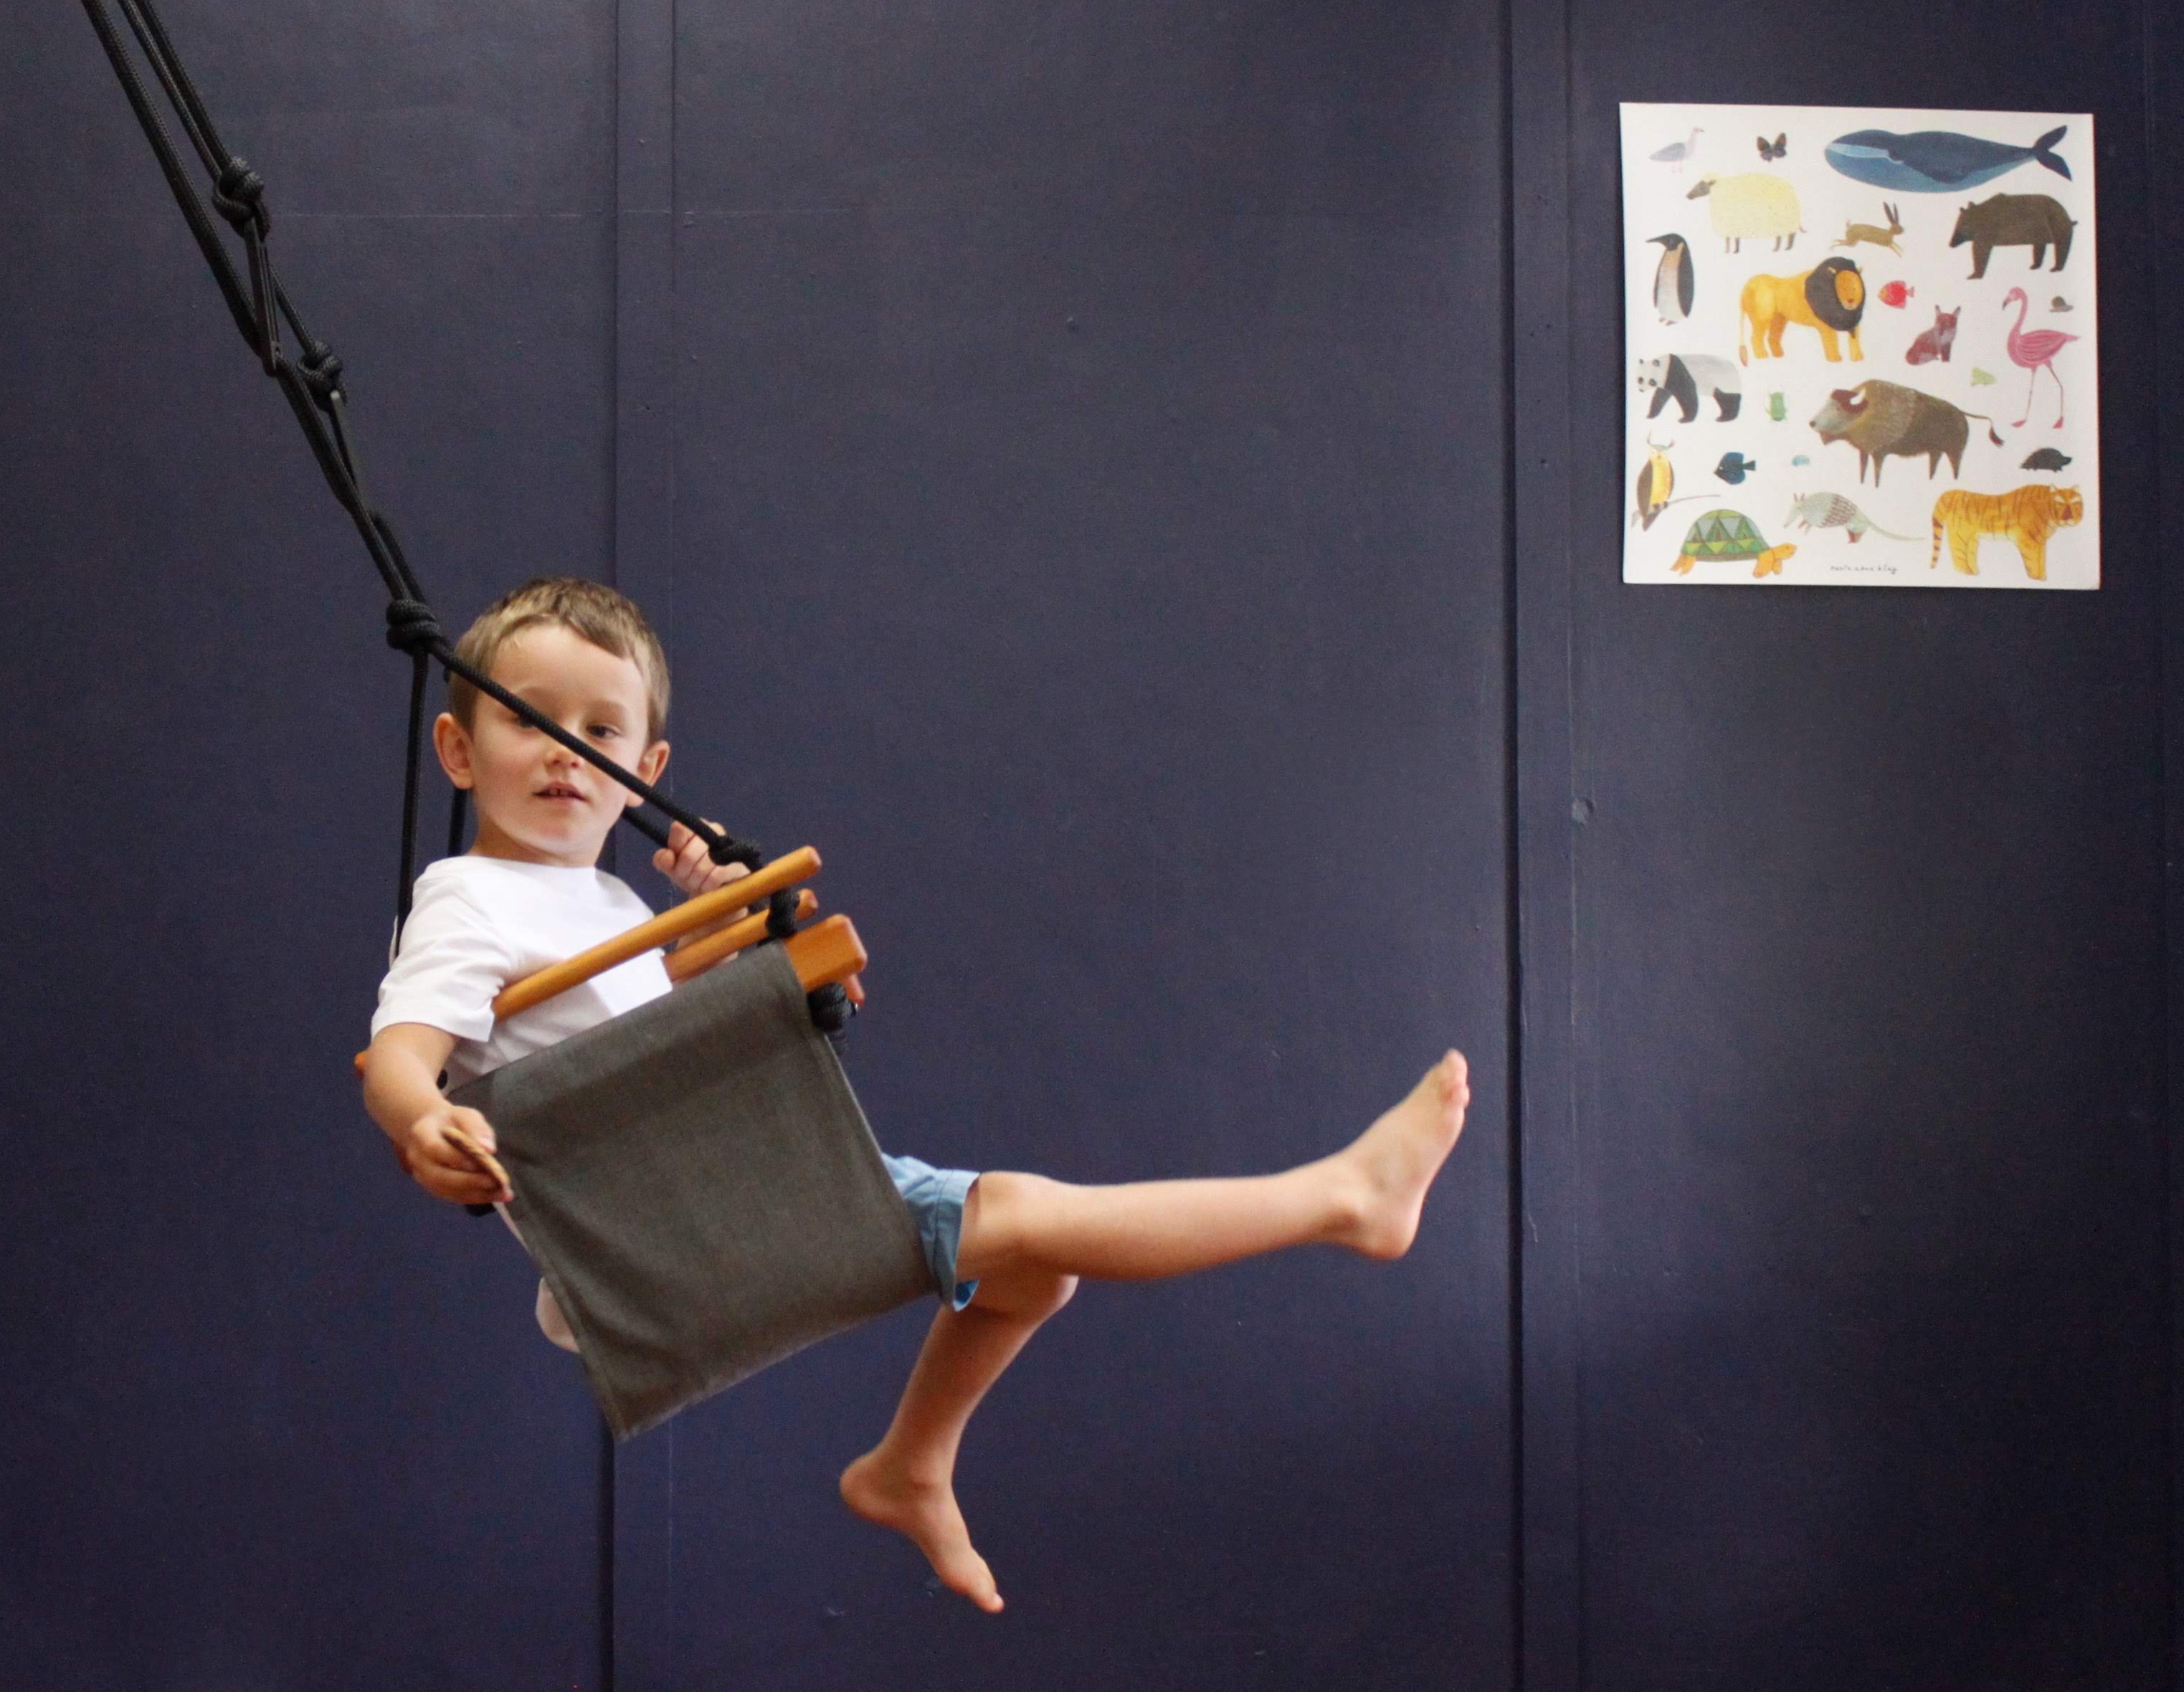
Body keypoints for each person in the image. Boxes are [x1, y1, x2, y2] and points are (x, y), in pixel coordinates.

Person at [363, 577, 1470, 1612]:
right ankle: (1342, 1200)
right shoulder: (467, 899)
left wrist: (725, 932)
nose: (565, 752)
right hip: (662, 1245)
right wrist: (424, 1124)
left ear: (646, 768)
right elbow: (401, 1052)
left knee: (1034, 1274)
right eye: (530, 721)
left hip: (720, 1202)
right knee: (1025, 1215)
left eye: (598, 731)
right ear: (458, 749)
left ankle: (908, 1468)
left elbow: (638, 1046)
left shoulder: (605, 906)